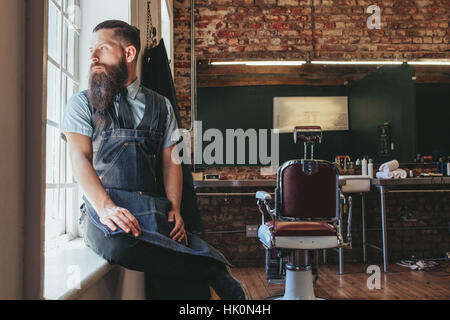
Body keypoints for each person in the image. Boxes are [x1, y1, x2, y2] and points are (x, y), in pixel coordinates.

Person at [61, 20, 247, 300]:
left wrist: (174, 208)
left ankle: (206, 274)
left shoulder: (162, 105)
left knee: (191, 293)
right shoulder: (80, 103)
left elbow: (171, 160)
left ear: (129, 53)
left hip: (150, 208)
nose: (93, 57)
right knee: (119, 247)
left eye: (102, 48)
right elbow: (79, 157)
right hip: (101, 210)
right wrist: (107, 208)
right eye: (91, 50)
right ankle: (211, 266)